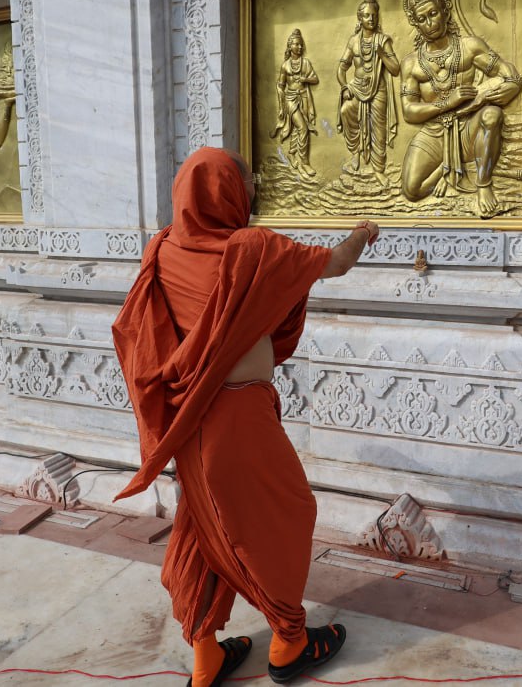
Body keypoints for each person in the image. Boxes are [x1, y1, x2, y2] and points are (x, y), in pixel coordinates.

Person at [113, 147, 378, 686]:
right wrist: (363, 232)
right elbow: (335, 262)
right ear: (226, 192)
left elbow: (140, 332)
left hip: (192, 420)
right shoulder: (250, 249)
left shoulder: (160, 248)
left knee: (205, 527)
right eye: (246, 184)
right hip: (236, 416)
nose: (252, 194)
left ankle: (207, 657)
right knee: (285, 515)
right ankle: (289, 640)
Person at [398, 0, 522, 219]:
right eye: (422, 19)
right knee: (411, 190)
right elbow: (409, 111)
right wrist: (447, 102)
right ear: (414, 22)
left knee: (491, 114)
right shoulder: (411, 64)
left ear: (444, 10)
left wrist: (511, 86)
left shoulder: (469, 47)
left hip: (469, 129)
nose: (430, 23)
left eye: (433, 14)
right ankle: (448, 170)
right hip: (435, 133)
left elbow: (507, 72)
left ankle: (483, 185)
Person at [336, 0, 401, 183]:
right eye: (366, 16)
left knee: (378, 130)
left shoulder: (383, 40)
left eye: (374, 15)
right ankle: (355, 154)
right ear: (360, 18)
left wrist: (383, 55)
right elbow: (341, 69)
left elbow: (396, 69)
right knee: (346, 110)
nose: (371, 19)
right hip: (356, 88)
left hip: (378, 90)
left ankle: (379, 169)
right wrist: (344, 87)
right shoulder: (353, 41)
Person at [272, 30, 319, 178]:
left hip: (303, 98)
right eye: (296, 44)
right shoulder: (285, 66)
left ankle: (292, 154)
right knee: (303, 128)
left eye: (301, 44)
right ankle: (305, 162)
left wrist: (305, 80)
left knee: (297, 129)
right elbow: (280, 85)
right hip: (290, 99)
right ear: (290, 46)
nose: (299, 47)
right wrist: (281, 105)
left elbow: (315, 79)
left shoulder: (306, 63)